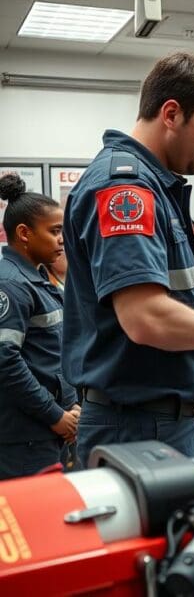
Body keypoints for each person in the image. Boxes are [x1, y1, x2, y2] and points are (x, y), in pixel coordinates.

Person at [63, 53, 194, 465]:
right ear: (171, 113)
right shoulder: (126, 191)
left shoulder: (156, 186)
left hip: (162, 423)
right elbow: (146, 317)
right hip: (137, 427)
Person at [0, 174, 79, 479]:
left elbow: (53, 353)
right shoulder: (11, 284)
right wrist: (55, 415)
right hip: (24, 439)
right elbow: (6, 361)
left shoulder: (38, 279)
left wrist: (70, 407)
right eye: (55, 231)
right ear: (24, 233)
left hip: (47, 431)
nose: (63, 239)